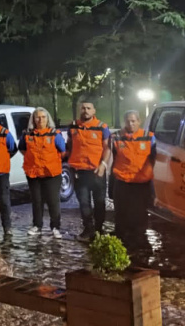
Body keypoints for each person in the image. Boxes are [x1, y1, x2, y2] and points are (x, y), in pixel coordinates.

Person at [65, 100, 112, 241]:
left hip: (97, 171)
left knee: (99, 202)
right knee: (84, 202)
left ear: (94, 111)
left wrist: (103, 165)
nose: (85, 110)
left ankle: (98, 229)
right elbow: (69, 145)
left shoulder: (102, 127)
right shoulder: (73, 126)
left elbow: (107, 148)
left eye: (88, 108)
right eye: (83, 108)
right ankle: (88, 229)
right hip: (80, 171)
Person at [110, 110, 156, 251]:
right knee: (121, 213)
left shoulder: (149, 138)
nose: (130, 124)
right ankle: (122, 241)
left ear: (139, 121)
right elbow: (113, 155)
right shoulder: (117, 137)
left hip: (141, 183)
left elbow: (153, 158)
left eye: (133, 121)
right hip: (123, 182)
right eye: (128, 121)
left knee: (140, 213)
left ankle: (140, 241)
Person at [20, 107, 66, 238]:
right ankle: (37, 226)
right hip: (33, 173)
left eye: (43, 117)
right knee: (37, 200)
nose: (41, 120)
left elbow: (62, 151)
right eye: (37, 117)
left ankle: (55, 227)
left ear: (48, 119)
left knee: (53, 201)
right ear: (33, 120)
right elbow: (22, 148)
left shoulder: (54, 134)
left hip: (51, 173)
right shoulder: (27, 134)